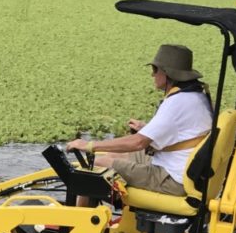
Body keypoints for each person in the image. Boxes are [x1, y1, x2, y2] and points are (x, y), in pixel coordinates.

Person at [67, 44, 212, 196]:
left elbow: (137, 142)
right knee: (110, 156)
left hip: (173, 179)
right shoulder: (196, 96)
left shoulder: (176, 103)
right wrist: (147, 128)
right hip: (182, 168)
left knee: (94, 165)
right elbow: (182, 132)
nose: (152, 75)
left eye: (155, 70)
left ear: (167, 73)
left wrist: (88, 145)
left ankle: (84, 218)